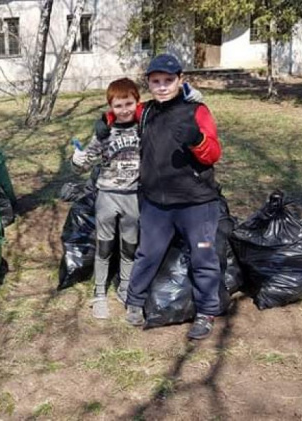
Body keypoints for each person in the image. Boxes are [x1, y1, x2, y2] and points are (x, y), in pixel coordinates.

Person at [112, 53, 223, 340]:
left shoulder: (197, 111)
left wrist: (196, 140)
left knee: (203, 257)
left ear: (180, 81)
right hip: (156, 203)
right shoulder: (146, 111)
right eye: (156, 81)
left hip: (196, 202)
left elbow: (213, 154)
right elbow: (123, 112)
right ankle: (135, 303)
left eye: (168, 81)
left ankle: (206, 311)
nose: (162, 87)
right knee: (148, 253)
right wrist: (106, 119)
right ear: (148, 83)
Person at [71, 77, 142, 319]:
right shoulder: (104, 133)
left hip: (133, 197)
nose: (124, 110)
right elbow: (83, 165)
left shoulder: (144, 129)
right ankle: (99, 292)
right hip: (107, 196)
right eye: (118, 105)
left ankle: (125, 287)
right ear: (110, 106)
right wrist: (77, 159)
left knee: (130, 246)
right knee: (104, 245)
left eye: (129, 104)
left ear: (137, 102)